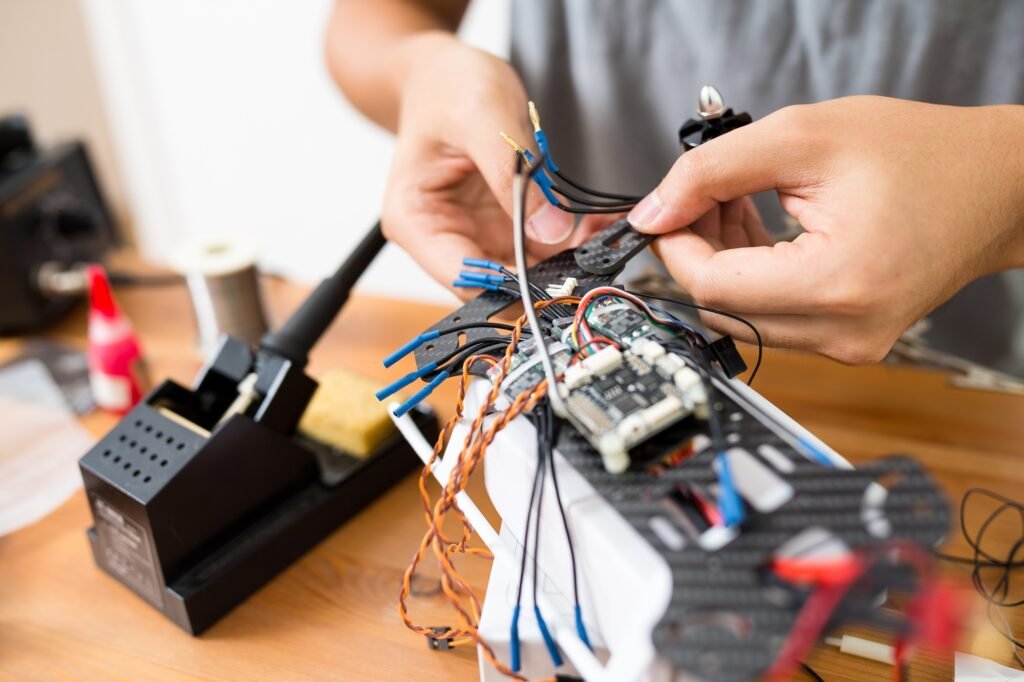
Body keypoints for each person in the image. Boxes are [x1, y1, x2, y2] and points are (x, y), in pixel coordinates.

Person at [326, 0, 1024, 368]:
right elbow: (375, 17)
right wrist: (421, 72)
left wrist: (1005, 182)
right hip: (596, 338)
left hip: (958, 387)